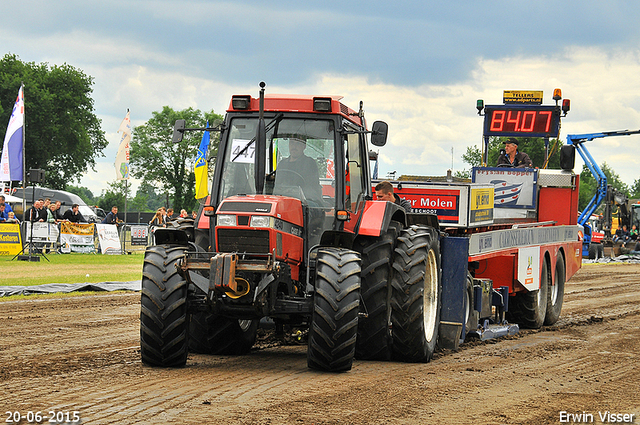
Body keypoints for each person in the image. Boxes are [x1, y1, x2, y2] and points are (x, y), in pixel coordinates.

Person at [274, 138, 322, 202]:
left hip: (304, 201)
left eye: (298, 143)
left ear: (304, 146)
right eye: (292, 143)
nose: (294, 146)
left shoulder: (309, 163)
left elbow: (312, 186)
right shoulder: (282, 164)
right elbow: (277, 184)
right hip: (283, 199)